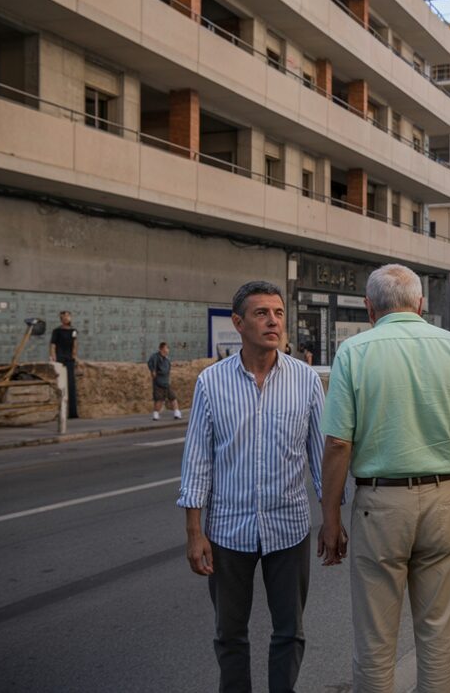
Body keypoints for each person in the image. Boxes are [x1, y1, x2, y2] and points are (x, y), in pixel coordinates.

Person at [318, 264, 450, 693]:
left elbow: (338, 444)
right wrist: (445, 449)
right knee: (438, 631)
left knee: (376, 638)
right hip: (443, 499)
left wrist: (330, 519)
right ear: (420, 304)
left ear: (369, 308)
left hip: (380, 505)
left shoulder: (355, 352)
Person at [176, 281, 325, 693]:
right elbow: (197, 462)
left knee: (289, 631)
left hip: (289, 530)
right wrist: (194, 533)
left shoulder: (306, 381)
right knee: (229, 634)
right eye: (262, 313)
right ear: (238, 323)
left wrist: (332, 519)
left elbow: (320, 458)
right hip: (227, 532)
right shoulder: (211, 383)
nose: (273, 321)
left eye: (278, 313)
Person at [49, 310, 79, 419]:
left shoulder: (74, 331)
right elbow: (53, 345)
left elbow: (75, 344)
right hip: (59, 358)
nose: (66, 318)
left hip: (69, 359)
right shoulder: (56, 331)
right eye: (64, 317)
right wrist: (53, 357)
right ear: (61, 319)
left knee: (71, 385)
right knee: (59, 385)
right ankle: (58, 412)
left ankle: (73, 413)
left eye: (68, 316)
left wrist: (74, 356)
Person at [147, 341, 181, 421]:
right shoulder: (155, 357)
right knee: (159, 400)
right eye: (166, 348)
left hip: (166, 382)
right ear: (162, 349)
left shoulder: (167, 360)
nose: (168, 350)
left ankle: (177, 413)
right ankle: (155, 414)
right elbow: (151, 364)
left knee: (173, 397)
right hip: (158, 382)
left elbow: (168, 370)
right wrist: (153, 371)